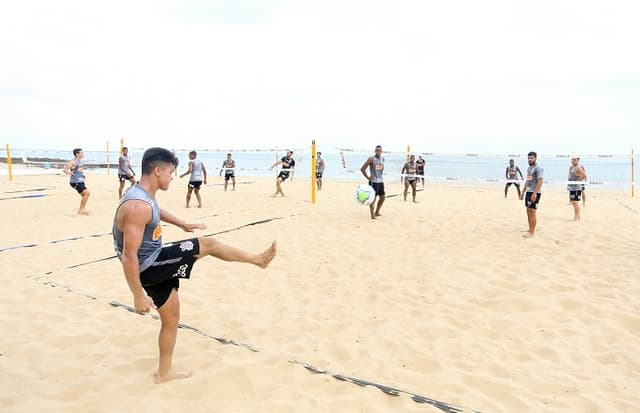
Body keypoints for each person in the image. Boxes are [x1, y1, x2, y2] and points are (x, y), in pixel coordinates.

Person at [112, 147, 277, 384]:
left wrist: (182, 224)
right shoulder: (138, 206)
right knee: (207, 244)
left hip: (151, 263)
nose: (172, 177)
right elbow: (129, 255)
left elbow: (156, 211)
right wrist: (137, 294)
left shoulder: (142, 194)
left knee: (171, 317)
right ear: (157, 170)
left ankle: (164, 373)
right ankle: (259, 260)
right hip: (148, 266)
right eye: (170, 172)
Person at [519, 151, 544, 237]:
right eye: (528, 158)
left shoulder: (538, 168)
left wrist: (535, 193)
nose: (530, 159)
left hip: (534, 192)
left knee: (532, 211)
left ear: (535, 158)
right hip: (528, 192)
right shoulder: (529, 168)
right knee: (528, 211)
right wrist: (523, 192)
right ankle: (530, 229)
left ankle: (532, 233)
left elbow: (540, 181)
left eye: (531, 158)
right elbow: (528, 181)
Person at [360, 145, 385, 219]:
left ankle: (377, 212)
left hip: (381, 181)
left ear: (381, 151)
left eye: (379, 150)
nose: (378, 152)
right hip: (373, 182)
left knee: (382, 198)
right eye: (377, 150)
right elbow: (362, 169)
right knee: (373, 199)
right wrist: (368, 177)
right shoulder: (371, 159)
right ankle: (372, 215)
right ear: (375, 151)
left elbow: (381, 169)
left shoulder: (382, 159)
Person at [63, 148, 90, 215]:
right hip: (75, 182)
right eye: (81, 153)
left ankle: (82, 209)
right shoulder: (73, 161)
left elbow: (79, 170)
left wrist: (82, 175)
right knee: (87, 193)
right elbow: (65, 169)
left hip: (80, 181)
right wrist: (70, 173)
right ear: (77, 154)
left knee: (84, 195)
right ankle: (81, 210)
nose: (83, 154)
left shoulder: (80, 161)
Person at [567, 156, 586, 221]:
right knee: (573, 203)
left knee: (576, 202)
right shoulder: (571, 167)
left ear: (578, 160)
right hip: (572, 187)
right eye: (572, 160)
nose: (572, 161)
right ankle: (578, 217)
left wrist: (577, 182)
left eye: (574, 160)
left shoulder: (578, 167)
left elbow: (584, 175)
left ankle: (576, 217)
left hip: (577, 188)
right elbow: (569, 175)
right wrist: (569, 182)